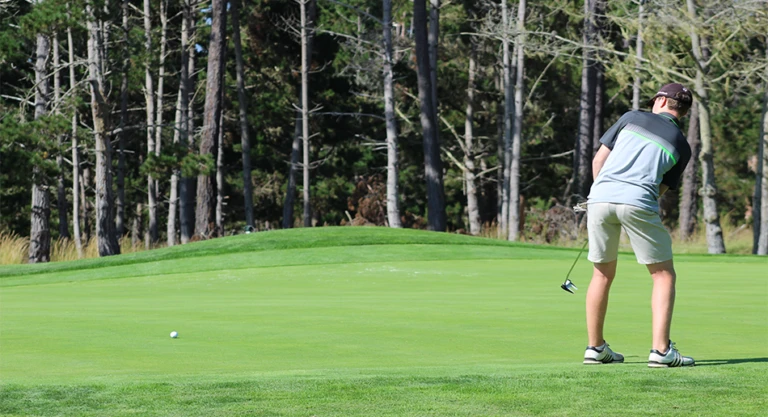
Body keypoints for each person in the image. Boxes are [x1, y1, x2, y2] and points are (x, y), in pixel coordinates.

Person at [582, 83, 696, 368]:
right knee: (662, 275)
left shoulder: (630, 117)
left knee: (601, 274)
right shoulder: (682, 145)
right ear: (682, 112)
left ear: (660, 101)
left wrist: (604, 196)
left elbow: (599, 160)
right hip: (639, 201)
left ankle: (595, 348)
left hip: (599, 199)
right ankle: (660, 352)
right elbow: (659, 190)